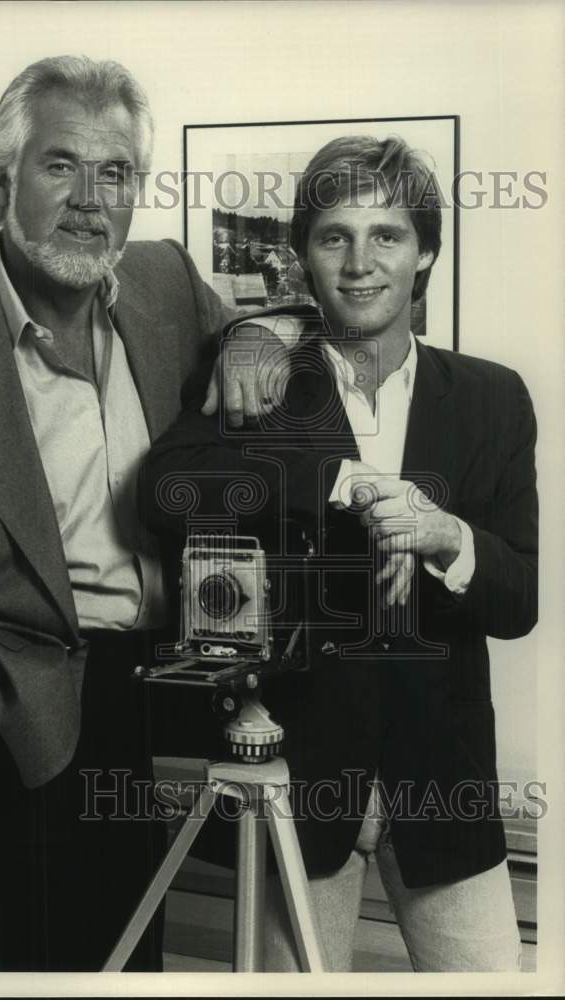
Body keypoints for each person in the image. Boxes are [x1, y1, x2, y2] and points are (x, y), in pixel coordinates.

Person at [0, 55, 284, 972]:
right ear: (1, 180)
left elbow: (256, 321)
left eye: (114, 172)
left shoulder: (161, 286)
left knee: (121, 963)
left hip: (137, 710)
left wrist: (254, 337)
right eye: (61, 165)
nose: (90, 199)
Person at [140, 135, 537, 971]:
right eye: (333, 237)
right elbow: (164, 490)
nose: (360, 264)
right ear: (302, 257)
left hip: (443, 787)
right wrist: (341, 479)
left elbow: (519, 600)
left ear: (425, 251)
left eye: (386, 236)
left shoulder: (493, 399)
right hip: (295, 776)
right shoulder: (257, 375)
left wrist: (449, 538)